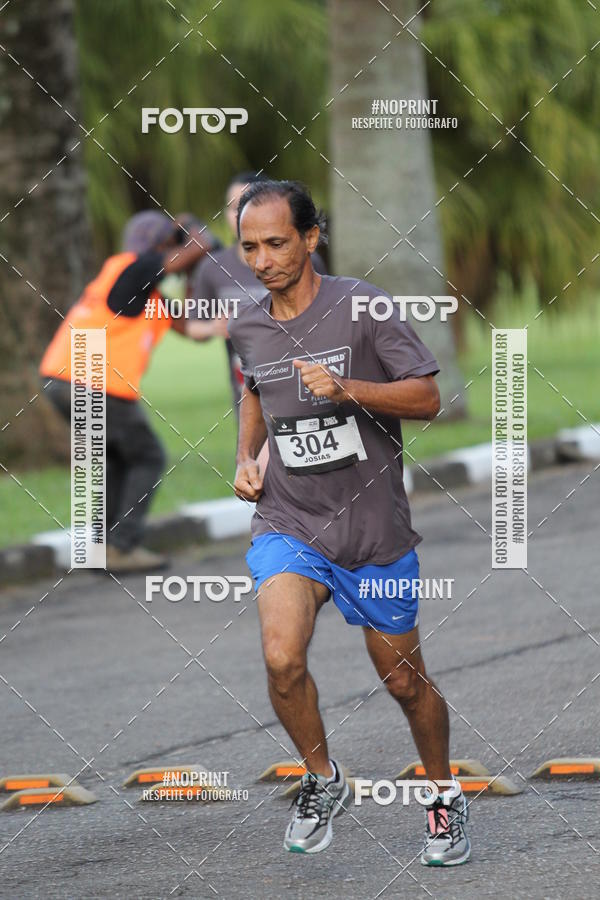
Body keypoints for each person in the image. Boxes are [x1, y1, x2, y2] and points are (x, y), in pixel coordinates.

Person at [228, 180, 470, 865]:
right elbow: (256, 389)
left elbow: (426, 396)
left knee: (403, 682)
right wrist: (248, 457)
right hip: (288, 519)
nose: (263, 259)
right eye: (250, 246)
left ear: (311, 237)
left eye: (277, 242)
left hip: (371, 533)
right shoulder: (247, 323)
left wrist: (350, 389)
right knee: (281, 658)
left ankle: (445, 796)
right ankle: (322, 779)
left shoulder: (361, 306)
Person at [39, 210, 227, 574]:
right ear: (161, 246)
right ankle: (121, 546)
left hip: (63, 381)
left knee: (120, 459)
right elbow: (201, 245)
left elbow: (192, 329)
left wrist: (211, 308)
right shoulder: (131, 268)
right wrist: (190, 230)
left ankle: (102, 547)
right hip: (93, 383)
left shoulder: (141, 292)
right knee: (148, 456)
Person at [189, 171, 327, 413]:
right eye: (233, 208)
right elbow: (194, 326)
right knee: (253, 449)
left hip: (305, 381)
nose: (239, 215)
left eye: (246, 206)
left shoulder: (306, 259)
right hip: (248, 389)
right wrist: (214, 327)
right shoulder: (212, 268)